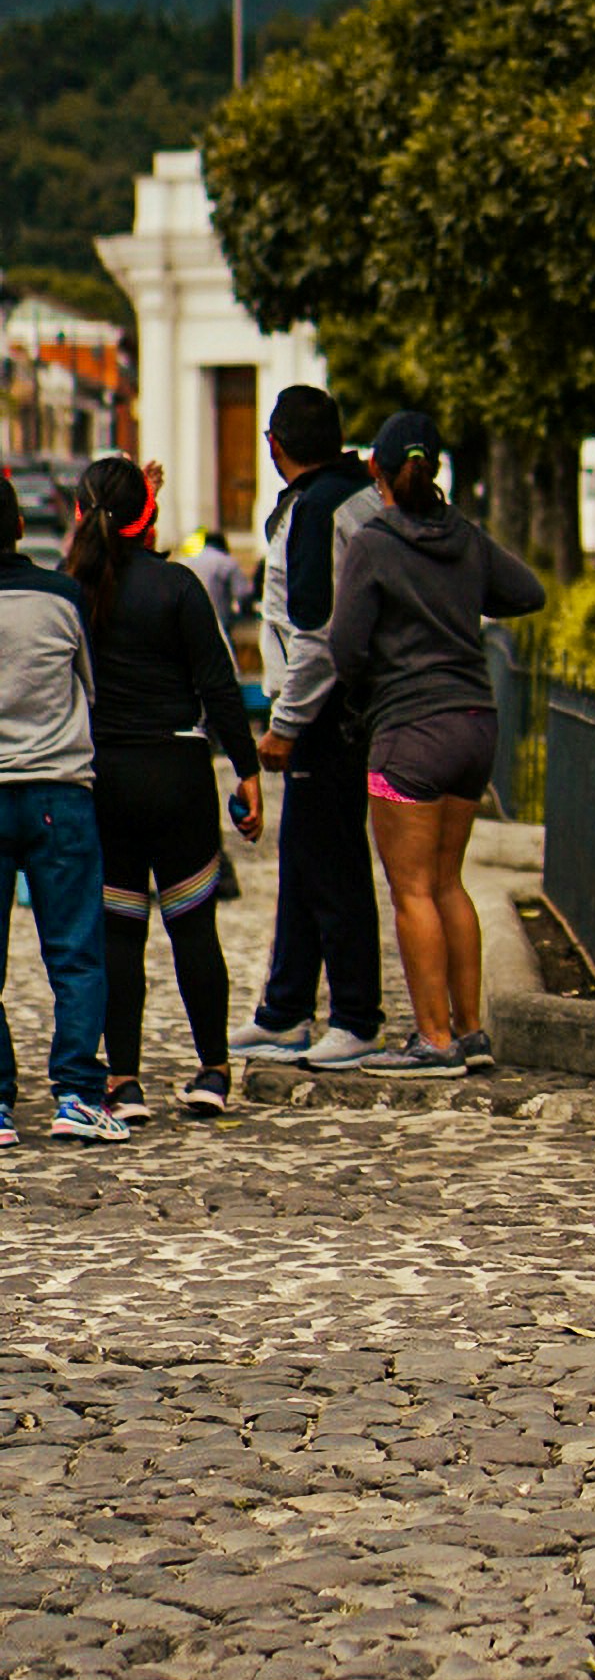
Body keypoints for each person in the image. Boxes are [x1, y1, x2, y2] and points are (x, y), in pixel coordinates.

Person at [326, 410, 545, 1074]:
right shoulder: (465, 537)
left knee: (412, 889)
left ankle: (434, 1040)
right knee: (449, 883)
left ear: (376, 471)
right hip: (475, 727)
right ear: (438, 469)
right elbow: (527, 591)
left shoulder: (372, 542)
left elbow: (343, 647)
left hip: (410, 735)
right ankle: (471, 1031)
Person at [64, 454, 263, 1122]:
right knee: (192, 926)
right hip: (179, 774)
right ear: (147, 519)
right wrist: (248, 769)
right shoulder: (178, 588)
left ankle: (123, 1079)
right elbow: (219, 687)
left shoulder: (74, 592)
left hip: (106, 777)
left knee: (119, 934)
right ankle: (211, 1071)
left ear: (80, 516)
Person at [234, 387, 385, 1068]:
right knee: (302, 857)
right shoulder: (357, 495)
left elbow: (313, 633)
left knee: (332, 864)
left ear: (275, 444)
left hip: (326, 713)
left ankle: (355, 1014)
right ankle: (285, 1007)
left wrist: (285, 724)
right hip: (351, 704)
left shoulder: (316, 511)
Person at [0, 471, 127, 1147]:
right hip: (58, 791)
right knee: (76, 954)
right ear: (19, 528)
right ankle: (77, 1092)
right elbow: (90, 689)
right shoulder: (62, 598)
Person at [183, 530, 245, 637]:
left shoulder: (187, 561)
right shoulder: (226, 562)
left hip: (189, 620)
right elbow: (243, 592)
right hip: (219, 621)